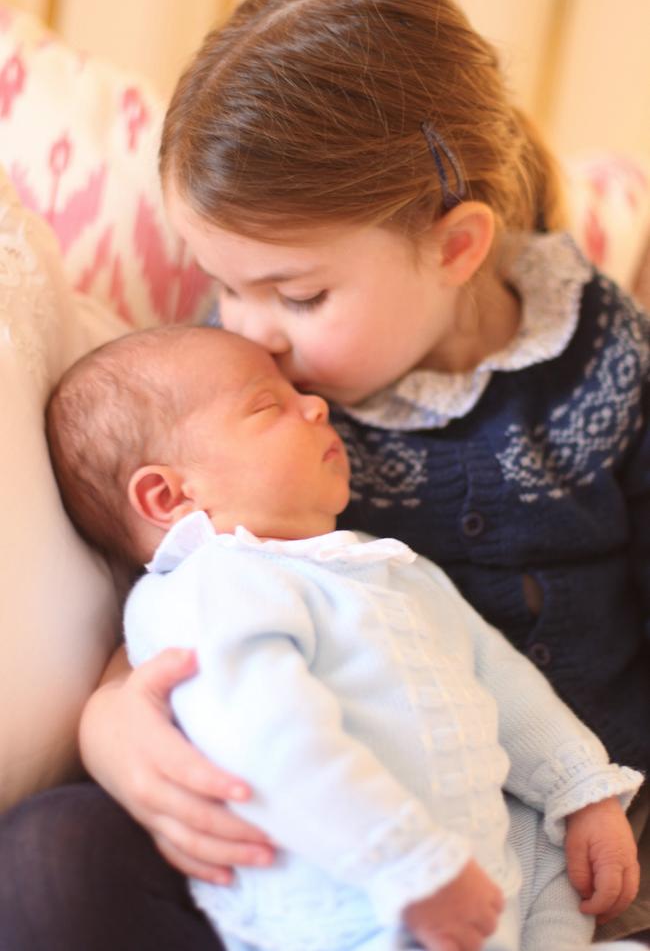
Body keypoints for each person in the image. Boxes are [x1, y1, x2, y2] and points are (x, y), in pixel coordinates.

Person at [0, 0, 649, 950]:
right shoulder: (238, 382)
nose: (249, 330)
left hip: (583, 826)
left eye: (296, 296)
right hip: (323, 825)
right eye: (224, 284)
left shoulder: (604, 360)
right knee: (52, 856)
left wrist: (588, 795)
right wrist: (110, 719)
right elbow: (179, 571)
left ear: (456, 246)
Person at [44, 323, 643, 951]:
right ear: (170, 495)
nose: (316, 405)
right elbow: (270, 741)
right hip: (358, 907)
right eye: (268, 404)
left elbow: (500, 680)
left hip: (493, 895)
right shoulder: (210, 586)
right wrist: (407, 867)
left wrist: (578, 790)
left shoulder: (391, 568)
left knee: (563, 883)